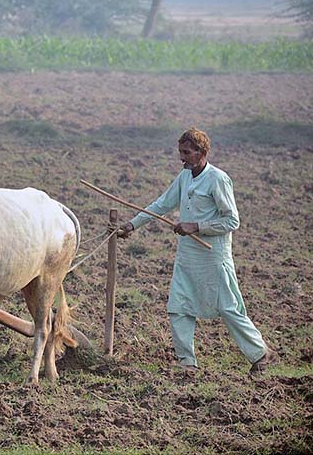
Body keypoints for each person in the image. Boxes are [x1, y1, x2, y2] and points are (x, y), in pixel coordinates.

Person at [117, 127, 274, 374]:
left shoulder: (218, 179)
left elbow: (232, 221)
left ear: (202, 152)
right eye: (180, 152)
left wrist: (196, 226)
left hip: (213, 255)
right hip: (187, 256)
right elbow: (161, 204)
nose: (182, 158)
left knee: (228, 307)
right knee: (178, 307)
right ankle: (187, 363)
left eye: (186, 152)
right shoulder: (184, 177)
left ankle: (260, 353)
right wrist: (131, 225)